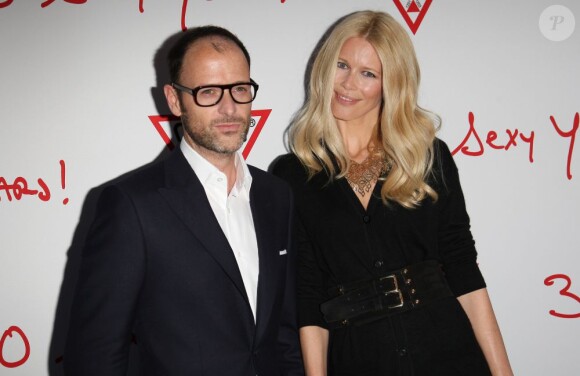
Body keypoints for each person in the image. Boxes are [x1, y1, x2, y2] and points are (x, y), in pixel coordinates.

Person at [272, 11, 513, 376]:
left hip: (447, 352)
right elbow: (309, 292)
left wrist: (503, 372)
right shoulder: (292, 174)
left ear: (391, 84)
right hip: (358, 358)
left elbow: (463, 268)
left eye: (368, 73)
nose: (348, 84)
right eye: (342, 65)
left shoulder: (426, 156)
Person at [64, 26, 303, 376]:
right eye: (208, 92)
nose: (229, 108)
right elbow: (95, 356)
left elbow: (283, 330)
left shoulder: (275, 195)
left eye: (239, 89)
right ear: (175, 100)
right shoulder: (131, 205)